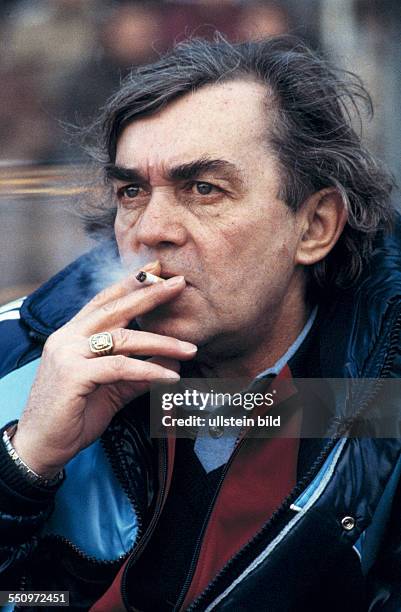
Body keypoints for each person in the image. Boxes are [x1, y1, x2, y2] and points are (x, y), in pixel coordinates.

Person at [0, 35, 400, 612]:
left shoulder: (378, 393)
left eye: (203, 188)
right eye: (132, 191)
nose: (151, 230)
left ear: (314, 226)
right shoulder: (20, 355)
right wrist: (23, 466)